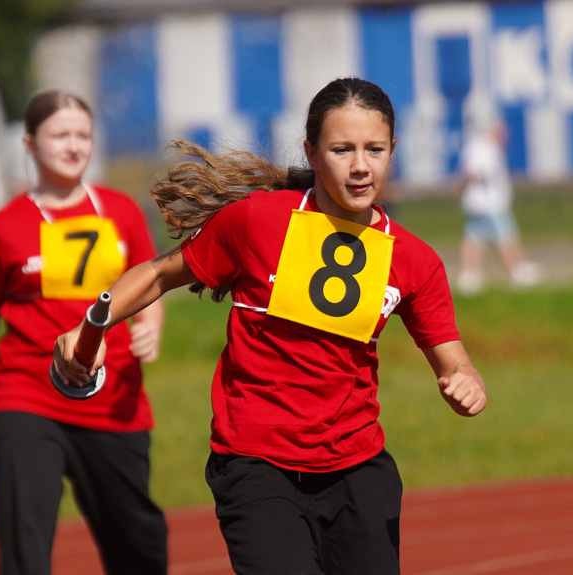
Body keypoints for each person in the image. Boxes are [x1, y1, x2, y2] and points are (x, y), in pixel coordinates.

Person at [53, 77, 487, 575]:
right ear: (312, 151)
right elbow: (158, 274)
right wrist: (93, 323)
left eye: (375, 149)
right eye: (342, 149)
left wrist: (466, 383)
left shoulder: (415, 260)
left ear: (393, 151)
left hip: (357, 468)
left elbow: (453, 358)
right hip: (255, 465)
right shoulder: (256, 221)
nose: (361, 166)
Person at [0, 90, 168, 575]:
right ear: (29, 143)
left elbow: (152, 284)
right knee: (25, 545)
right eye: (60, 135)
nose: (74, 145)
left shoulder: (122, 212)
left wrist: (150, 326)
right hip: (25, 393)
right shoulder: (1, 228)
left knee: (139, 543)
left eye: (83, 135)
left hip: (113, 398)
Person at [455, 114, 541, 293]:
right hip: (488, 204)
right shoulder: (484, 147)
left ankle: (469, 275)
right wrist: (462, 187)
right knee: (506, 236)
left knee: (474, 238)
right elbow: (474, 172)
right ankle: (517, 271)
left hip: (480, 204)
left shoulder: (481, 146)